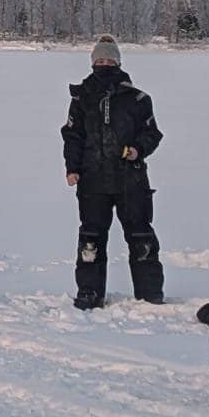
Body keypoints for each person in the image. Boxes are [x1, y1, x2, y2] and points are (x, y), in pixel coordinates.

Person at [61, 33, 164, 309]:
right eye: (100, 60)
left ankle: (150, 294)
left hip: (131, 179)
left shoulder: (138, 99)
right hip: (92, 179)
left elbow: (152, 133)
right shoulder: (82, 98)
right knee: (91, 239)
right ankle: (89, 293)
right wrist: (72, 168)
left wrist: (137, 150)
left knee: (141, 237)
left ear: (118, 62)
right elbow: (72, 136)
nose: (104, 64)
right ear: (93, 62)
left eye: (109, 60)